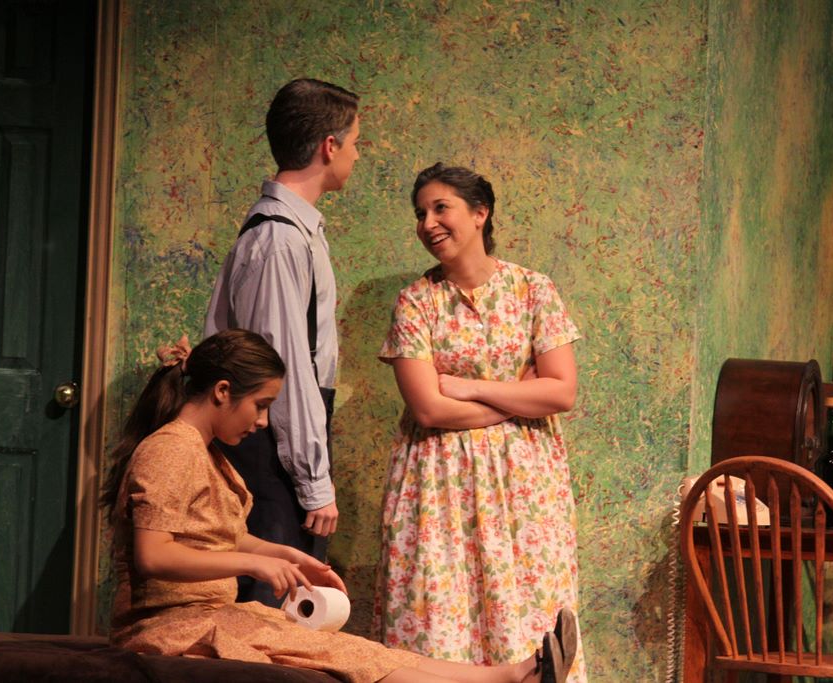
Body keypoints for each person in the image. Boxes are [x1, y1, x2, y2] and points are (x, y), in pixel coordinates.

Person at [100, 328, 576, 683]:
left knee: (360, 651)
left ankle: (511, 674)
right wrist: (254, 565)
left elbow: (216, 535)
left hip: (207, 615)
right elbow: (154, 555)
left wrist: (288, 556)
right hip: (169, 626)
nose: (262, 421)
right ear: (223, 392)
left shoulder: (202, 451)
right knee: (342, 658)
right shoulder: (172, 449)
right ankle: (510, 679)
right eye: (261, 405)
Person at [375, 163, 587, 682]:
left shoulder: (533, 290)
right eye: (420, 213)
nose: (428, 223)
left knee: (526, 617)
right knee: (438, 619)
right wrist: (518, 397)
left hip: (524, 488)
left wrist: (469, 387)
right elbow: (429, 409)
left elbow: (561, 392)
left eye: (440, 208)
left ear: (479, 213)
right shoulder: (416, 302)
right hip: (436, 486)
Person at [205, 78, 355, 604]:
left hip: (283, 440)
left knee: (292, 606)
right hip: (271, 447)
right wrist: (313, 480)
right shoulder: (279, 240)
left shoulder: (295, 232)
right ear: (329, 146)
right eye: (355, 142)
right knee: (272, 604)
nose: (357, 155)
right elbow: (283, 369)